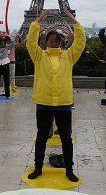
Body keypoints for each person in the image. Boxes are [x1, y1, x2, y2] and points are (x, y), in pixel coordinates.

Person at [26, 10, 86, 182]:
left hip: (63, 104)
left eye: (56, 40)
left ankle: (69, 169)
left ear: (61, 42)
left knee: (66, 138)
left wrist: (75, 21)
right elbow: (30, 42)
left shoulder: (68, 56)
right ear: (45, 42)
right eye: (50, 40)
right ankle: (38, 167)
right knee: (42, 137)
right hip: (44, 103)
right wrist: (37, 22)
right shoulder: (39, 56)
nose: (53, 42)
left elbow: (80, 43)